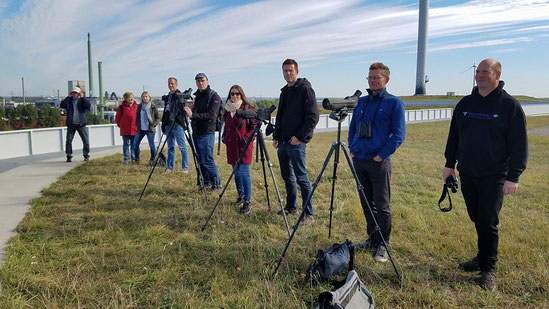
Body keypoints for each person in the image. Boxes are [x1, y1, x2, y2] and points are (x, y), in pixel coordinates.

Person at [442, 58, 528, 291]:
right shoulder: (465, 103)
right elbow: (454, 136)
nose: (479, 75)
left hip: (495, 175)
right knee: (477, 217)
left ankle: (488, 268)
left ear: (497, 74)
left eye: (485, 71)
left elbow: (519, 144)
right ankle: (481, 257)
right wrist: (449, 165)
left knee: (488, 221)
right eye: (477, 71)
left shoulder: (509, 106)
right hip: (467, 172)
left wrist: (514, 176)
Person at [348, 62, 406, 263]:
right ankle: (372, 238)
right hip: (360, 160)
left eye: (376, 78)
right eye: (370, 77)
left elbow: (399, 135)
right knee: (366, 203)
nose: (372, 81)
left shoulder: (394, 103)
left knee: (382, 205)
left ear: (386, 80)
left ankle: (383, 243)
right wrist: (352, 148)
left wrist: (381, 155)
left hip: (378, 162)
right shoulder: (362, 102)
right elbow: (353, 127)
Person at [273, 59, 319, 226]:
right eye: (285, 71)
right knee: (287, 176)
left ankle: (308, 214)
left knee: (301, 177)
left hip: (296, 143)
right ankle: (291, 206)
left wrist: (299, 137)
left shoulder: (305, 90)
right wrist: (277, 136)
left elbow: (313, 117)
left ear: (297, 71)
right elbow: (281, 116)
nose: (288, 74)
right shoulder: (285, 91)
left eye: (291, 70)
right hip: (283, 142)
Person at [221, 85, 256, 214]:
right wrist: (224, 137)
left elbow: (254, 127)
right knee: (236, 173)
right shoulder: (227, 109)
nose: (234, 96)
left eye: (237, 94)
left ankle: (247, 201)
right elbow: (226, 125)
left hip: (244, 146)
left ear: (241, 95)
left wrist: (247, 138)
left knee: (244, 173)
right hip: (231, 146)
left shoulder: (248, 108)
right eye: (232, 94)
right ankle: (240, 196)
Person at [183, 73, 222, 189]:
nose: (200, 83)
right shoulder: (198, 96)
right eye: (198, 81)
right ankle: (206, 183)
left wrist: (192, 115)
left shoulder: (214, 96)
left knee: (207, 159)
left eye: (202, 80)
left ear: (207, 81)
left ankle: (216, 185)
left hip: (207, 132)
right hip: (196, 131)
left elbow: (211, 115)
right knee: (200, 160)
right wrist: (192, 108)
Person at [161, 77, 190, 172]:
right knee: (170, 147)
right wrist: (163, 126)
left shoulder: (180, 96)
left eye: (172, 83)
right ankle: (170, 167)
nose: (170, 85)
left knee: (182, 147)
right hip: (168, 125)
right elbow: (166, 112)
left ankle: (185, 167)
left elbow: (183, 111)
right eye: (169, 83)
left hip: (177, 125)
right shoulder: (168, 96)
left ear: (176, 84)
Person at [60, 87, 91, 162]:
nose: (74, 94)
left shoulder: (82, 101)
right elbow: (62, 105)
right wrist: (68, 97)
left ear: (79, 93)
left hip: (81, 124)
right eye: (73, 93)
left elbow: (88, 106)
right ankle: (69, 155)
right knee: (68, 140)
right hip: (71, 123)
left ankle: (86, 155)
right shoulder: (69, 101)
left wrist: (83, 97)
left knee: (85, 140)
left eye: (76, 93)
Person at [133, 91, 161, 166]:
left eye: (146, 96)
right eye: (143, 97)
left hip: (150, 129)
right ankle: (136, 159)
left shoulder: (153, 106)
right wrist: (137, 124)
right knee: (135, 144)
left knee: (151, 145)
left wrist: (153, 124)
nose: (145, 98)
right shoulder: (139, 106)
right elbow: (137, 117)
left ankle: (153, 159)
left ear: (149, 98)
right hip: (141, 129)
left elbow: (158, 118)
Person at [115, 92, 138, 163]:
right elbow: (117, 119)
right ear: (126, 99)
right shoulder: (121, 107)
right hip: (125, 130)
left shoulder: (136, 106)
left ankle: (133, 158)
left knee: (134, 145)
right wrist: (121, 125)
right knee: (126, 145)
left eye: (132, 97)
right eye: (129, 97)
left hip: (135, 129)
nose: (131, 98)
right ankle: (126, 159)